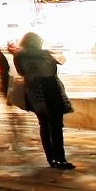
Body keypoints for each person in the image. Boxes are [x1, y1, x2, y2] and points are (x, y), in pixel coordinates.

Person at [14, 32, 74, 169]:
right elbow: (56, 66)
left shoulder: (19, 56)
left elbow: (21, 72)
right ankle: (61, 159)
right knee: (56, 126)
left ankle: (51, 159)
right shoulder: (45, 54)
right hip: (51, 89)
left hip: (34, 91)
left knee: (44, 125)